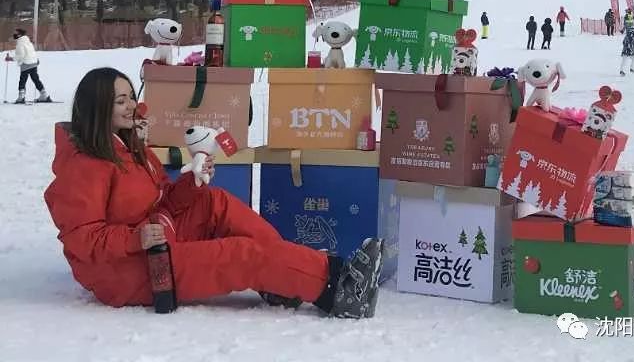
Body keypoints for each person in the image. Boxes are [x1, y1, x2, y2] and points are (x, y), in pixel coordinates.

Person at [44, 68, 383, 317]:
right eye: (120, 100)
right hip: (130, 271)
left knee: (213, 200)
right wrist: (136, 239)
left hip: (159, 240)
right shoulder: (85, 163)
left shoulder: (131, 148)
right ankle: (337, 286)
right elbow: (82, 238)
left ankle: (284, 278)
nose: (132, 105)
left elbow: (163, 199)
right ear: (97, 107)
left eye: (132, 96)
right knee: (241, 255)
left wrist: (192, 183)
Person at [13, 28, 51, 104]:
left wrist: (11, 58)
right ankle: (44, 95)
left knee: (22, 80)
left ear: (20, 34)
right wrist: (36, 60)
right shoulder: (28, 41)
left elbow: (21, 55)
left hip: (26, 64)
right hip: (33, 63)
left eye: (16, 33)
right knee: (35, 79)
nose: (14, 34)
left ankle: (21, 97)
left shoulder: (20, 43)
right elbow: (32, 52)